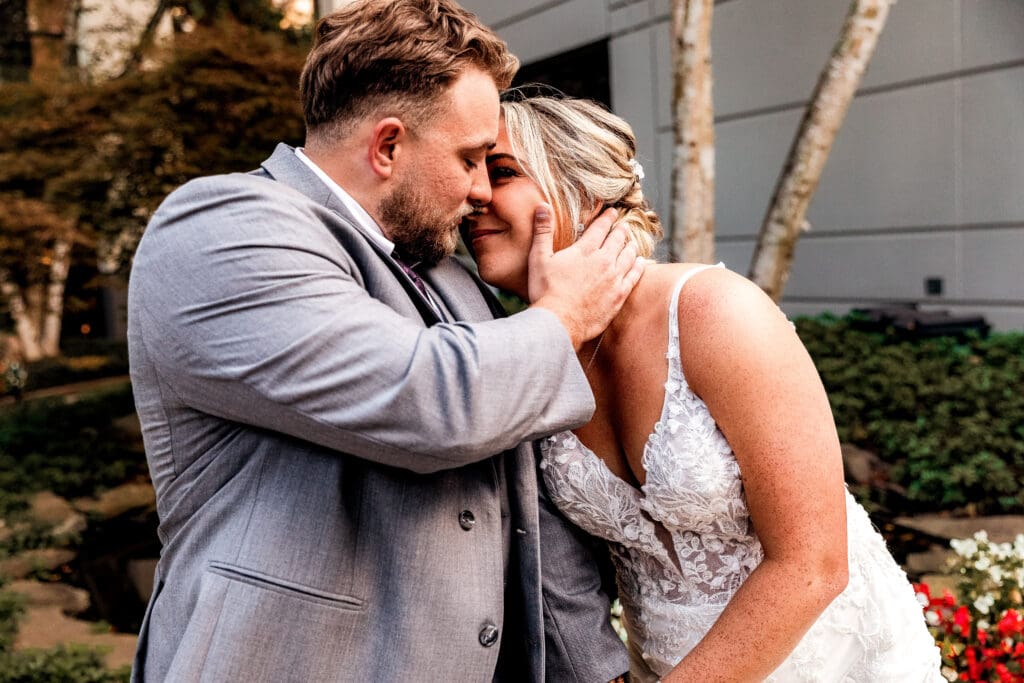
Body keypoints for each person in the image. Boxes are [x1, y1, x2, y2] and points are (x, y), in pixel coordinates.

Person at [126, 1, 640, 680]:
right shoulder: (218, 228)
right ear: (388, 145)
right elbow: (430, 401)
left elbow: (521, 517)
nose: (482, 189)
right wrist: (564, 316)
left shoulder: (452, 278)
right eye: (470, 158)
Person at [462, 94, 943, 682]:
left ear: (583, 191)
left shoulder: (713, 314)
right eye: (472, 171)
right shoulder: (527, 350)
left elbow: (813, 564)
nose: (475, 195)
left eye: (503, 171)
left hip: (828, 660)